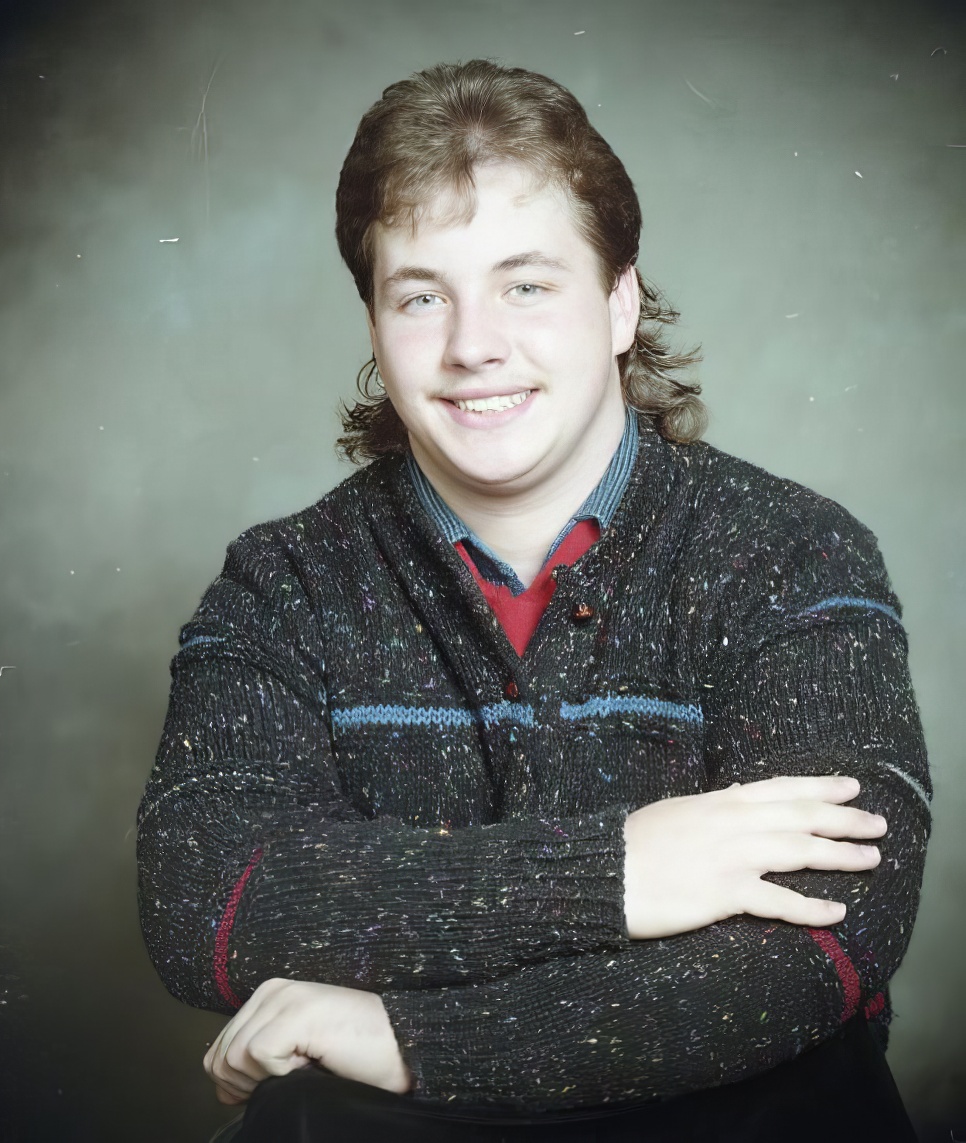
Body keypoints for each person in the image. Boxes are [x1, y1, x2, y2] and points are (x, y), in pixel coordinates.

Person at [136, 60, 931, 1142]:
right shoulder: (282, 584)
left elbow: (824, 941)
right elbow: (208, 907)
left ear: (620, 301)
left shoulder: (790, 550)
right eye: (422, 295)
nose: (474, 346)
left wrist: (416, 1038)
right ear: (374, 322)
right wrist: (618, 872)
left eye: (526, 285)